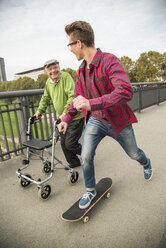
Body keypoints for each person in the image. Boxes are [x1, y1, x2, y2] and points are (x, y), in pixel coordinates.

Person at [58, 21, 153, 209]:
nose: (69, 50)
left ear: (79, 43)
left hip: (118, 121)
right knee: (85, 156)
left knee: (134, 154)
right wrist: (67, 118)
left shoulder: (110, 61)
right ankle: (90, 189)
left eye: (69, 45)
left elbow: (125, 91)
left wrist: (91, 103)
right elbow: (78, 97)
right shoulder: (81, 69)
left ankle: (146, 162)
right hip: (95, 120)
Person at [35, 59, 84, 169]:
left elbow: (72, 96)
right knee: (63, 144)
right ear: (46, 72)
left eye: (55, 67)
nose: (53, 71)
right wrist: (40, 111)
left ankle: (87, 153)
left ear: (59, 68)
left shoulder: (65, 77)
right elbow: (45, 98)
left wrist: (65, 112)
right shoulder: (48, 82)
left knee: (70, 143)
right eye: (50, 69)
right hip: (63, 120)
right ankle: (74, 162)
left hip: (75, 117)